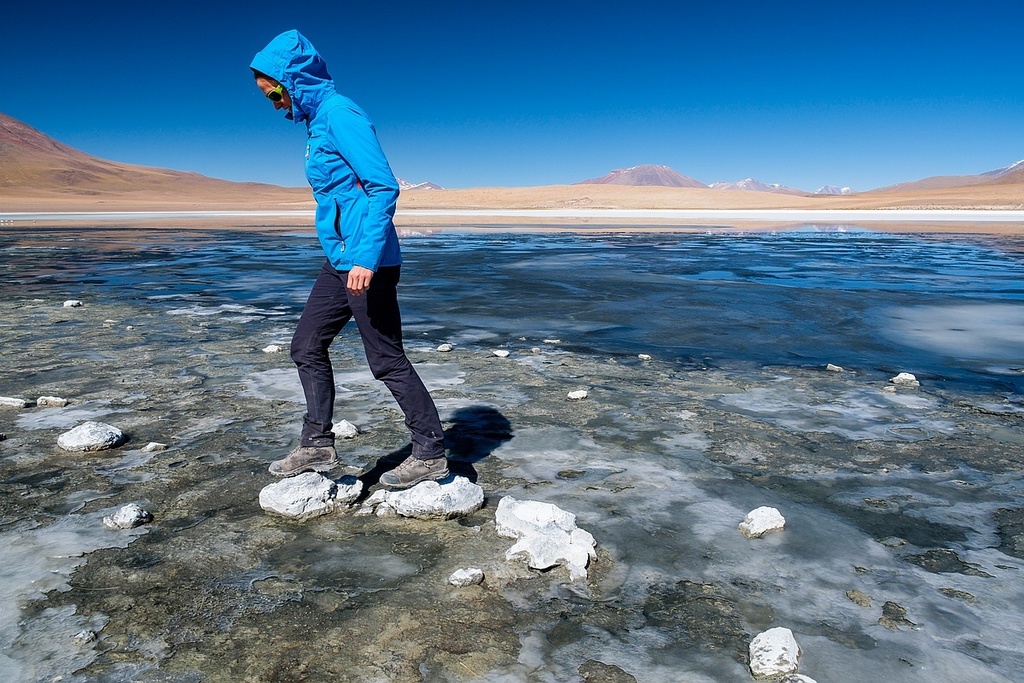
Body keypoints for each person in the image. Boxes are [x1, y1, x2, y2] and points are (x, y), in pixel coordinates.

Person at [250, 29, 448, 489]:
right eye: (268, 98)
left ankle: (430, 451)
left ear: (292, 79)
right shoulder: (316, 122)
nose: (275, 104)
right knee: (306, 345)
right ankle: (317, 445)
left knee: (385, 358)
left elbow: (383, 186)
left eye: (275, 92)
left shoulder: (340, 114)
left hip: (366, 261)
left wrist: (364, 258)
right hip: (339, 258)